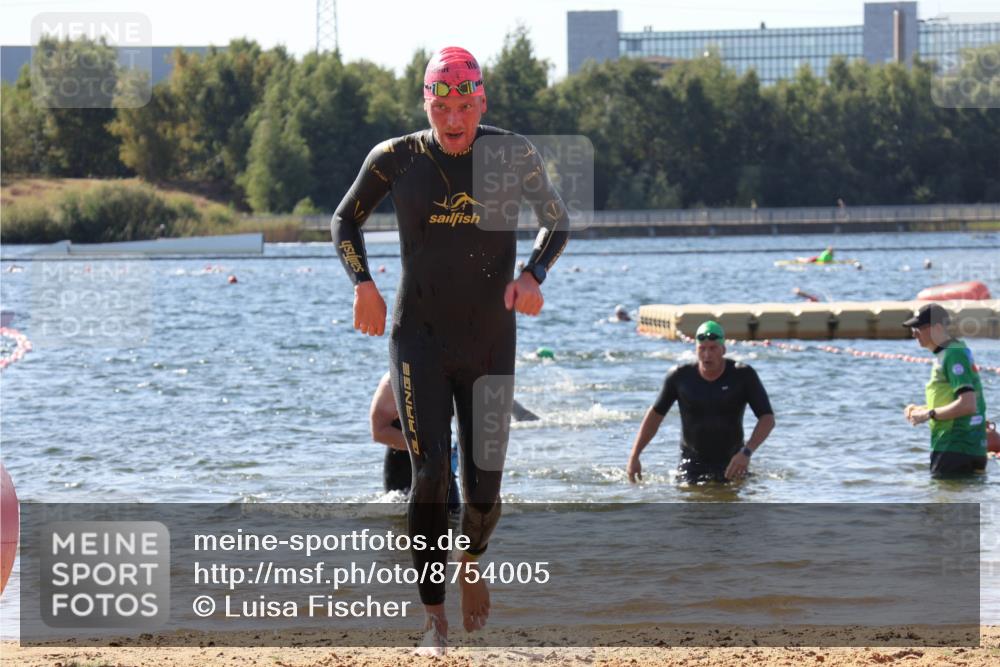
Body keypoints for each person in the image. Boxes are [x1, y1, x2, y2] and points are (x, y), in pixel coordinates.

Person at [332, 46, 569, 652]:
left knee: (485, 484)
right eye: (443, 107)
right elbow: (344, 220)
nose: (454, 119)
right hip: (420, 339)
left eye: (465, 105)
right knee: (431, 470)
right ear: (427, 104)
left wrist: (534, 275)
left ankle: (473, 559)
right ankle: (432, 619)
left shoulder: (511, 153)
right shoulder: (397, 157)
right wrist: (364, 284)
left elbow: (556, 220)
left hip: (491, 340)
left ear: (481, 102)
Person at [626, 321, 775, 484]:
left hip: (732, 461)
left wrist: (746, 453)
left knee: (733, 507)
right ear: (695, 350)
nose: (707, 355)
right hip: (691, 463)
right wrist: (635, 456)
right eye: (702, 349)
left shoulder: (743, 375)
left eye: (713, 348)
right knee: (691, 505)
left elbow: (767, 418)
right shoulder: (679, 377)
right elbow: (655, 416)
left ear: (723, 350)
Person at [903, 303, 988, 476]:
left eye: (919, 327)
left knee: (943, 501)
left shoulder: (952, 354)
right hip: (965, 448)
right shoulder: (953, 351)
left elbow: (968, 404)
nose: (914, 333)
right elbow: (956, 401)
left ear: (938, 327)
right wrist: (923, 410)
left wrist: (928, 414)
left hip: (954, 447)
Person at [369, 372, 459, 512]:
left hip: (441, 464)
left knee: (453, 514)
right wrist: (428, 449)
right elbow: (379, 432)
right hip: (404, 467)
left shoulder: (455, 374)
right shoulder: (396, 377)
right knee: (403, 523)